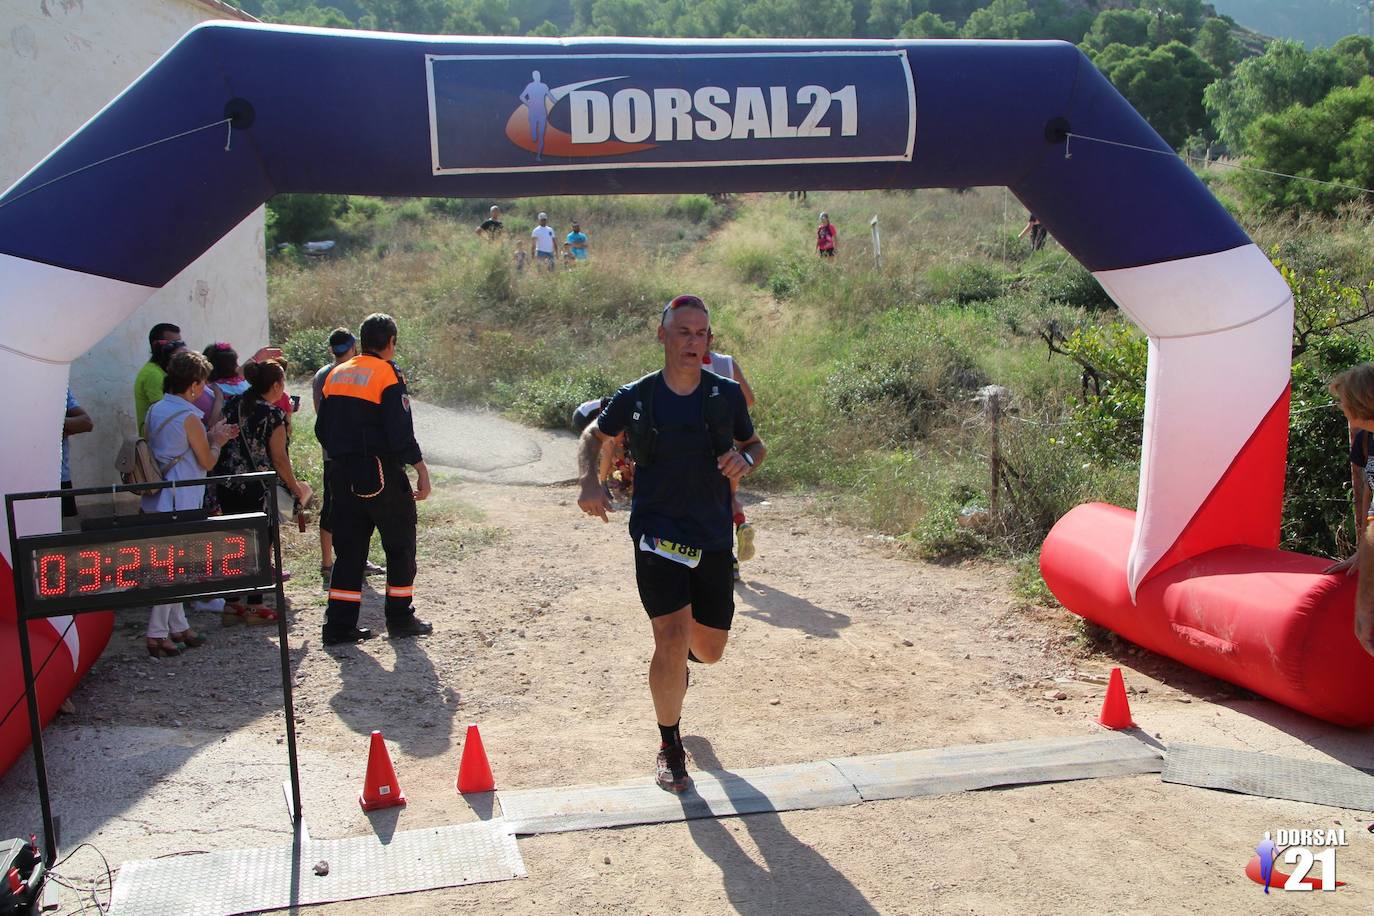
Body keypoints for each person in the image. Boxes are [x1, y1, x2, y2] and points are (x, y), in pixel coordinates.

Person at [576, 294, 765, 793]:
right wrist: (588, 483)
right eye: (683, 332)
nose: (693, 342)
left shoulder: (724, 394)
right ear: (662, 336)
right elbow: (596, 436)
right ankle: (670, 745)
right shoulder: (637, 396)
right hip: (657, 534)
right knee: (670, 636)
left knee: (710, 647)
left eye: (701, 334)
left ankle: (684, 664)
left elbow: (754, 444)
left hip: (711, 537)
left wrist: (746, 462)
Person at [316, 313, 433, 645]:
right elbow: (400, 431)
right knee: (400, 544)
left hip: (341, 475)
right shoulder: (387, 373)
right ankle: (399, 618)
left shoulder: (336, 374)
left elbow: (321, 429)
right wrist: (420, 469)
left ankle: (339, 627)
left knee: (349, 551)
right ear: (391, 342)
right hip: (380, 474)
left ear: (361, 342)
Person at [143, 350, 238, 656]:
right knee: (172, 570)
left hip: (159, 497)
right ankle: (157, 633)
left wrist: (208, 435)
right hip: (180, 498)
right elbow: (208, 461)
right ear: (195, 385)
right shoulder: (189, 417)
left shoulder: (156, 410)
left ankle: (179, 626)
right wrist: (217, 440)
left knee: (173, 567)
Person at [214, 359, 313, 624]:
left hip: (226, 485)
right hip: (258, 488)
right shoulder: (272, 415)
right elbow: (279, 458)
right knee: (260, 547)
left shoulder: (231, 405)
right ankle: (255, 606)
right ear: (277, 384)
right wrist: (295, 487)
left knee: (233, 546)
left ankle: (232, 604)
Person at [312, 328, 385, 589]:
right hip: (348, 454)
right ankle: (337, 563)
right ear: (353, 347)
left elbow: (322, 416)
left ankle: (340, 561)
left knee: (343, 509)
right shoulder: (345, 373)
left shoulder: (325, 374)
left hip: (336, 452)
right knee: (345, 509)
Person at [1324, 364, 1374, 656]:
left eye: (1342, 400)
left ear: (1360, 401)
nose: (1339, 406)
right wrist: (1362, 549)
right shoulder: (1365, 438)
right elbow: (1370, 486)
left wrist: (1364, 607)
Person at [705, 335, 758, 578]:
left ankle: (725, 558)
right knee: (729, 495)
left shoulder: (680, 366)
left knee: (709, 503)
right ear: (712, 339)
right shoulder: (727, 364)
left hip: (699, 445)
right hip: (728, 444)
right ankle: (740, 525)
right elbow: (749, 399)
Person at [134, 323, 182, 435]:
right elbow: (165, 415)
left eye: (180, 343)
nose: (179, 349)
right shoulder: (153, 374)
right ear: (157, 345)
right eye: (173, 344)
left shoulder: (163, 371)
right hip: (158, 444)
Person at [60, 389, 93, 518]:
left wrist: (56, 421)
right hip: (25, 477)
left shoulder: (61, 388)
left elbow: (86, 423)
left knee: (64, 532)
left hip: (60, 478)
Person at [520, 70, 552, 160]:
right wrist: (529, 104)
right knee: (534, 137)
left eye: (539, 75)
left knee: (541, 135)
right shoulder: (530, 86)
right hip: (533, 113)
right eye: (536, 75)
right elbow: (522, 96)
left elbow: (551, 97)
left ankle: (538, 156)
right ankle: (533, 136)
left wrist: (558, 104)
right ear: (534, 77)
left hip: (542, 113)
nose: (538, 77)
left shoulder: (544, 86)